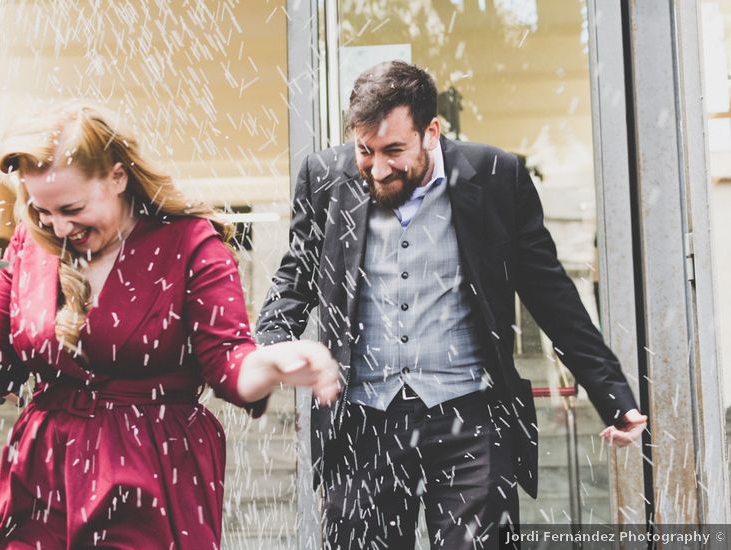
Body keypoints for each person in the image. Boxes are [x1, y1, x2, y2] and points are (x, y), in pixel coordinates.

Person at [0, 101, 340, 549]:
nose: (57, 228)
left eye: (72, 207)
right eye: (43, 211)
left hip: (149, 471)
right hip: (41, 476)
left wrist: (272, 364)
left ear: (118, 177)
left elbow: (227, 362)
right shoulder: (28, 243)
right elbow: (0, 361)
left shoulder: (190, 242)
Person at [255, 60, 647, 549]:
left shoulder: (496, 175)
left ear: (431, 132)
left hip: (470, 419)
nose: (377, 167)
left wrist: (612, 393)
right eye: (365, 150)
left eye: (394, 151)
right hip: (360, 424)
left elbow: (550, 293)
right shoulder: (324, 178)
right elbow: (294, 281)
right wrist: (264, 353)